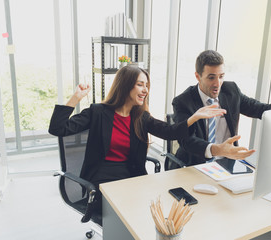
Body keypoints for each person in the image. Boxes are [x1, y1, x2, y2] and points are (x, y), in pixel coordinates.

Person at [48, 65, 224, 215]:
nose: (145, 90)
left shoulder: (141, 117)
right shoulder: (98, 112)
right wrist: (76, 97)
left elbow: (170, 132)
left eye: (147, 85)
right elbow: (58, 129)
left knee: (154, 208)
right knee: (125, 212)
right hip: (102, 178)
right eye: (140, 84)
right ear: (125, 86)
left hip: (132, 175)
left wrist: (193, 118)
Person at [170, 50, 271, 169]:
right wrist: (217, 149)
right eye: (211, 77)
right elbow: (186, 141)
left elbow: (259, 109)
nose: (217, 83)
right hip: (193, 166)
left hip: (228, 163)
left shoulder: (231, 91)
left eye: (221, 77)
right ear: (198, 76)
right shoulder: (182, 101)